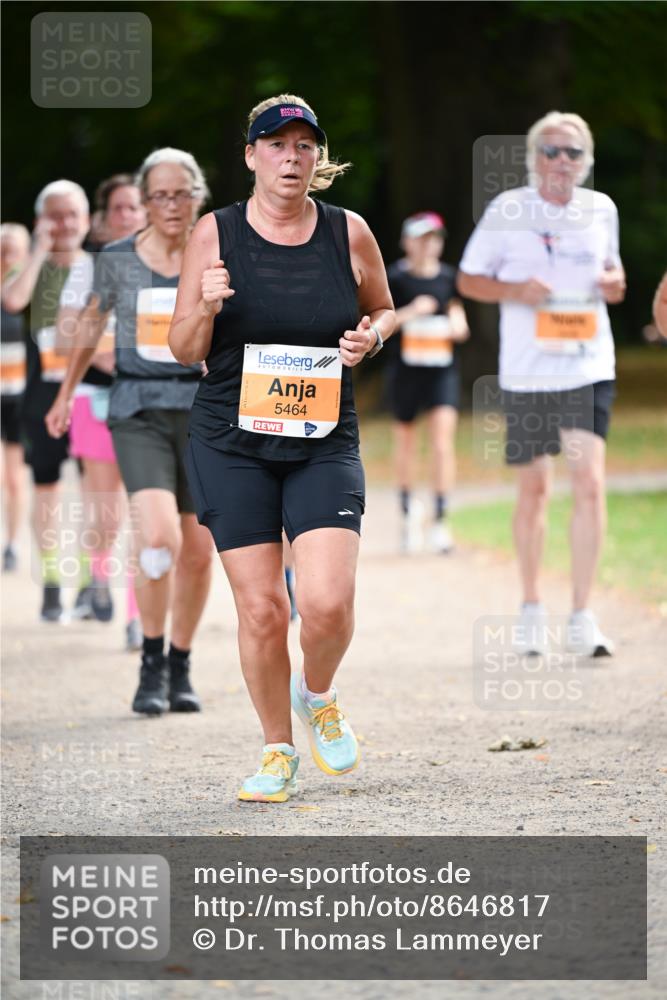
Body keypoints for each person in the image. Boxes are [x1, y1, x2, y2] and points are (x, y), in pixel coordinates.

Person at [169, 94, 395, 802]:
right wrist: (204, 305)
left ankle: (316, 692)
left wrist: (372, 336)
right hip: (230, 441)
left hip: (322, 437)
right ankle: (275, 751)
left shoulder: (348, 232)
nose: (291, 158)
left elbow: (383, 306)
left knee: (326, 603)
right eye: (276, 145)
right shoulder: (215, 232)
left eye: (304, 146)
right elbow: (181, 348)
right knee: (263, 608)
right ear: (250, 156)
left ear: (316, 158)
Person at [46, 148, 214, 715]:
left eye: (181, 193)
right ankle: (150, 657)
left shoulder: (218, 255)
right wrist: (67, 394)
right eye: (159, 195)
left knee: (198, 552)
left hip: (206, 414)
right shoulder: (117, 260)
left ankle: (180, 664)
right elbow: (90, 328)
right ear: (142, 202)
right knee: (161, 538)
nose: (171, 205)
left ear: (198, 196)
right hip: (138, 409)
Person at [457, 111, 626, 657]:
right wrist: (512, 289)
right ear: (533, 159)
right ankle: (531, 609)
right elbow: (467, 279)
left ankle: (581, 614)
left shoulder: (602, 210)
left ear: (588, 161)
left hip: (587, 364)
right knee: (535, 490)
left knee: (590, 482)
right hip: (529, 372)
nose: (561, 161)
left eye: (573, 152)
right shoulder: (508, 210)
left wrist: (615, 283)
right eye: (551, 151)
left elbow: (616, 277)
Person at [2, 181, 96, 621]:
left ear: (86, 218)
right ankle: (53, 581)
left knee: (96, 491)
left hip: (90, 395)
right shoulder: (34, 267)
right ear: (42, 221)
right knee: (47, 490)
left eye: (72, 214)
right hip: (42, 397)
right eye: (55, 215)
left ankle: (89, 580)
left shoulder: (98, 267)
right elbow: (13, 299)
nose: (64, 224)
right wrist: (38, 250)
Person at [65, 174, 146, 648]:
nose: (128, 215)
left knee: (145, 512)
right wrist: (107, 357)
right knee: (107, 513)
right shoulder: (87, 266)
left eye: (134, 207)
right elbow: (70, 326)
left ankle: (138, 616)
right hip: (95, 398)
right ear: (103, 217)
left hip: (146, 401)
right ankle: (98, 577)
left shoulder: (161, 261)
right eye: (118, 208)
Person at [386, 212, 469, 554]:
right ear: (407, 242)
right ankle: (408, 514)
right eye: (421, 238)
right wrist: (412, 312)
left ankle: (440, 519)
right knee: (405, 444)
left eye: (434, 238)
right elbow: (383, 321)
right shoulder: (395, 278)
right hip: (406, 372)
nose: (429, 245)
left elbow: (458, 318)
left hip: (441, 371)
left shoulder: (449, 278)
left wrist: (455, 325)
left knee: (441, 444)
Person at [0, 223, 31, 571]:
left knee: (13, 476)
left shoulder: (29, 293)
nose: (8, 256)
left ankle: (12, 542)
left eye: (14, 250)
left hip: (19, 395)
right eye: (2, 248)